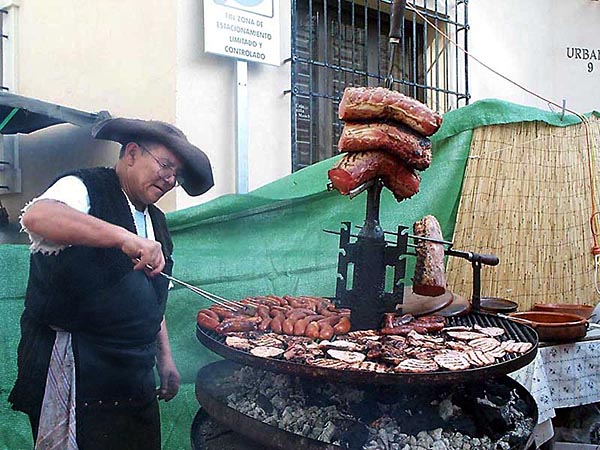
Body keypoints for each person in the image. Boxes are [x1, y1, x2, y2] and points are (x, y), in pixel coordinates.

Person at [9, 117, 214, 450]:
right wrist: (121, 237)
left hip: (133, 375)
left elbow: (152, 296)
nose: (169, 179)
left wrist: (166, 359)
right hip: (77, 366)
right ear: (131, 153)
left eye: (175, 174)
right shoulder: (84, 186)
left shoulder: (157, 221)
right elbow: (37, 216)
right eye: (164, 166)